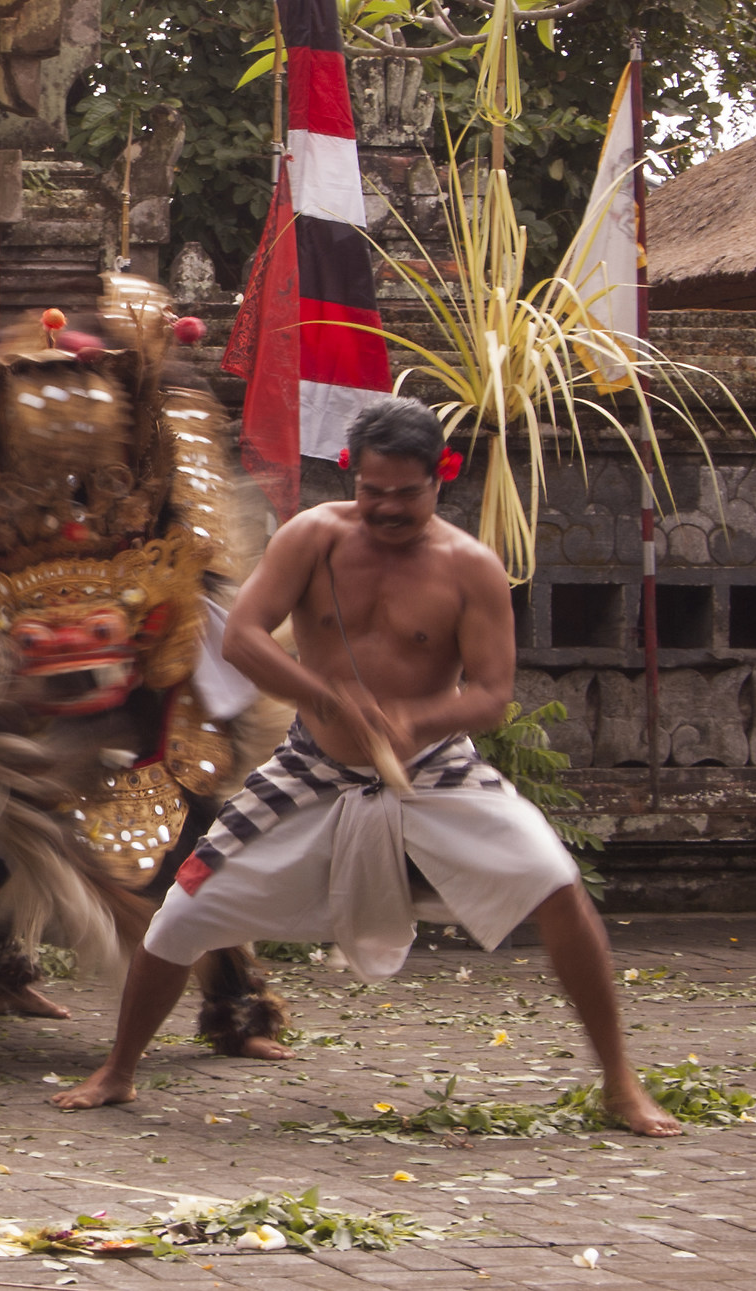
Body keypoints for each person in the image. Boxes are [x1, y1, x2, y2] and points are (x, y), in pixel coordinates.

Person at [49, 398, 680, 1136]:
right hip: (312, 765)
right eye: (372, 490)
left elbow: (491, 695)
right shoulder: (314, 537)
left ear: (439, 477)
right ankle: (119, 1070)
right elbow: (244, 638)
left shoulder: (470, 569)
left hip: (433, 769)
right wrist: (323, 697)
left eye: (405, 493)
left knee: (556, 882)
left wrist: (413, 720)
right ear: (354, 475)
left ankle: (620, 1081)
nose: (386, 507)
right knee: (184, 909)